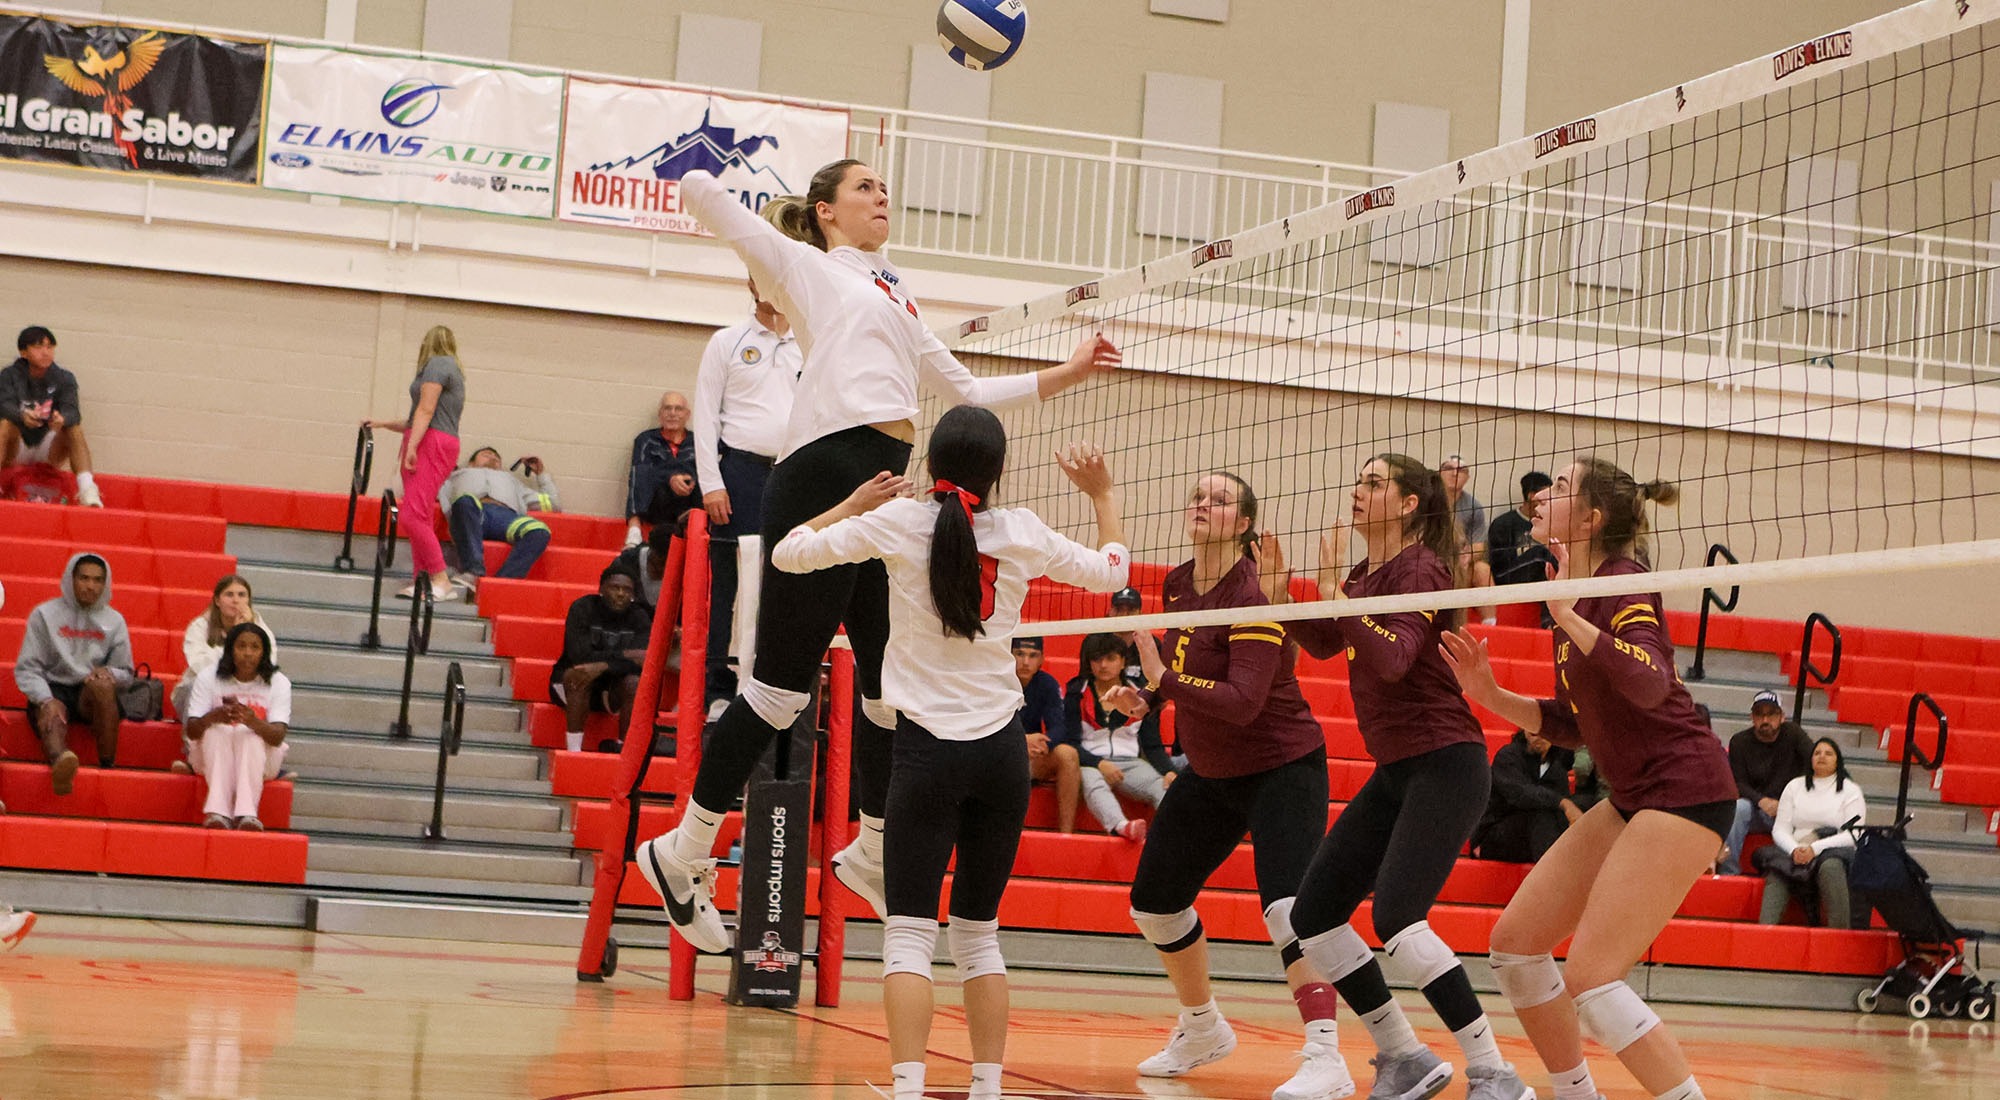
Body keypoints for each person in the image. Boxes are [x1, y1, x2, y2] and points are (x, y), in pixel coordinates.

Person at [636, 157, 1120, 953]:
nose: (880, 195)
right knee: (779, 691)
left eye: (884, 187)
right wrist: (701, 166)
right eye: (863, 187)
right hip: (823, 474)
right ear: (826, 212)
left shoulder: (894, 291)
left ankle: (869, 845)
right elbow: (712, 205)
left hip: (889, 480)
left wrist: (1066, 374)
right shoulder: (810, 269)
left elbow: (966, 390)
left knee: (886, 682)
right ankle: (681, 851)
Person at [764, 407, 1127, 1100]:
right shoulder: (1021, 531)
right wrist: (1103, 495)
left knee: (908, 936)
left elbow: (787, 552)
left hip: (927, 756)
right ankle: (987, 1088)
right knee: (979, 936)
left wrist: (853, 501)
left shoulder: (897, 522)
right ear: (998, 473)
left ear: (930, 467)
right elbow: (1112, 572)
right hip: (1001, 757)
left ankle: (908, 1091)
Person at [1442, 457, 1735, 1100]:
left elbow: (1652, 682)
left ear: (1592, 518)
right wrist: (1489, 693)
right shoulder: (1568, 586)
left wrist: (1569, 615)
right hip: (1635, 794)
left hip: (1687, 790)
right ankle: (1575, 1093)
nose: (1544, 496)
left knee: (1595, 978)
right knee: (1516, 948)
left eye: (1564, 489)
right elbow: (1573, 722)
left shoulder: (1625, 581)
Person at [1266, 454, 1531, 1100]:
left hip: (1447, 762)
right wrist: (1284, 596)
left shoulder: (1422, 568)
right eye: (1359, 479)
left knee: (1399, 919)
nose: (1358, 490)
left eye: (1374, 482)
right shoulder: (1368, 572)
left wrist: (1335, 594)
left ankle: (1497, 1072)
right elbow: (1332, 642)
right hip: (1398, 769)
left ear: (1411, 503)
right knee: (1316, 915)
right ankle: (1403, 1056)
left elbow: (1390, 658)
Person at [1095, 472, 1351, 1100]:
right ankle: (1203, 1026)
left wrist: (1161, 675)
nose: (1203, 504)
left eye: (1221, 499)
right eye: (1198, 495)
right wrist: (1147, 697)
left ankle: (1327, 1057)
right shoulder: (1179, 584)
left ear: (1244, 526)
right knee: (1153, 903)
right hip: (1211, 772)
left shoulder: (1255, 595)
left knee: (1291, 910)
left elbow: (1240, 702)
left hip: (1282, 767)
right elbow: (1187, 679)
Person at [694, 278, 802, 712]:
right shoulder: (727, 342)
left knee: (787, 581)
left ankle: (770, 686)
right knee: (728, 588)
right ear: (752, 285)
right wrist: (711, 483)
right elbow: (704, 416)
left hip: (793, 476)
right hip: (738, 475)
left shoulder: (811, 343)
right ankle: (718, 687)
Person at [364, 325, 468, 603]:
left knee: (412, 514)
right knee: (417, 514)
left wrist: (412, 446)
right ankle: (422, 576)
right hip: (426, 438)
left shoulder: (437, 364)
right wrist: (385, 424)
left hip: (431, 443)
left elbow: (426, 410)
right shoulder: (448, 368)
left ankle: (440, 578)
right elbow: (416, 418)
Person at [14, 553, 132, 795]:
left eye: (98, 580)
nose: (91, 586)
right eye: (84, 578)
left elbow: (127, 673)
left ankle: (108, 767)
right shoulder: (44, 615)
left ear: (105, 584)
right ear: (71, 579)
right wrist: (45, 699)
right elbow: (28, 668)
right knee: (52, 712)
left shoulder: (115, 621)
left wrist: (107, 673)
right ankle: (61, 761)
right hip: (52, 686)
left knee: (103, 686)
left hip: (90, 695)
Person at [1065, 632, 1172, 843]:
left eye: (1110, 658)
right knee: (1092, 780)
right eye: (1097, 659)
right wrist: (1099, 763)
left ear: (1123, 661)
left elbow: (1152, 745)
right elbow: (1070, 742)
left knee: (1166, 788)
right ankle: (1121, 826)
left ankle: (1169, 839)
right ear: (1089, 663)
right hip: (1091, 762)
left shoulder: (1140, 696)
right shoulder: (1076, 692)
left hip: (1131, 764)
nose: (1103, 665)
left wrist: (1169, 771)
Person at [181, 623, 290, 831]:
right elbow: (192, 731)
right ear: (230, 650)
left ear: (264, 652)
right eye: (241, 646)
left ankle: (247, 813)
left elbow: (277, 736)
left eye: (255, 647)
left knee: (248, 734)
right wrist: (212, 717)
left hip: (263, 761)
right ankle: (218, 813)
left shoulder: (278, 682)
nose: (247, 653)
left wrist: (253, 721)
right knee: (216, 730)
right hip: (210, 756)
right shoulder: (208, 676)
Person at [1757, 738, 1865, 929]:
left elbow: (1853, 835)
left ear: (1837, 761)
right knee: (1778, 871)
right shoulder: (1794, 786)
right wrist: (1795, 850)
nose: (1822, 756)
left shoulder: (1851, 791)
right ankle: (1763, 935)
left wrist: (1814, 848)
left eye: (1828, 753)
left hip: (1833, 849)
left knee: (1831, 867)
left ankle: (1839, 937)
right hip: (1796, 848)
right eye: (1817, 753)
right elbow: (1780, 829)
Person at [550, 565, 652, 754]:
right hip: (570, 685)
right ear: (601, 589)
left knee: (635, 682)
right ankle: (574, 751)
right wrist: (623, 656)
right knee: (578, 674)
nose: (621, 594)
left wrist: (603, 665)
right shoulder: (583, 607)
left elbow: (642, 662)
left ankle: (623, 749)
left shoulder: (640, 617)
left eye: (627, 590)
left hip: (612, 690)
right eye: (615, 587)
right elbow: (578, 655)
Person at [0, 326, 102, 506]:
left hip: (48, 446)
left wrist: (62, 419)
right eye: (38, 347)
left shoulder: (64, 377)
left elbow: (72, 411)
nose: (45, 352)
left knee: (74, 427)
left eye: (49, 347)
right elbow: (4, 405)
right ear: (24, 352)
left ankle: (87, 489)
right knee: (6, 423)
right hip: (18, 445)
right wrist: (22, 415)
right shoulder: (9, 375)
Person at [441, 446, 560, 595]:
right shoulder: (456, 475)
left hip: (506, 517)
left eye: (496, 457)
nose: (492, 457)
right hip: (473, 512)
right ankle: (473, 572)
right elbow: (432, 492)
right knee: (465, 501)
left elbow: (553, 504)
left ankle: (502, 582)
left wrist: (541, 474)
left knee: (539, 530)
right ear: (471, 463)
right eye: (486, 454)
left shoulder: (512, 481)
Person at [1722, 690, 1812, 874]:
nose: (1765, 720)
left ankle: (1799, 873)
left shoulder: (1794, 734)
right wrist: (1761, 801)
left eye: (1771, 714)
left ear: (1782, 717)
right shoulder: (1739, 741)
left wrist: (1789, 802)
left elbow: (1815, 764)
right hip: (1756, 809)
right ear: (1752, 717)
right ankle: (1728, 872)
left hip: (1789, 810)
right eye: (1759, 714)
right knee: (1738, 808)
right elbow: (1737, 782)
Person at [172, 574, 275, 724]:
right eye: (229, 594)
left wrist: (244, 632)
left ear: (248, 600)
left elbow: (267, 663)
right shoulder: (200, 626)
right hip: (206, 686)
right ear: (217, 600)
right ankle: (192, 744)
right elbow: (199, 664)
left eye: (241, 595)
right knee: (193, 685)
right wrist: (234, 638)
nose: (236, 600)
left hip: (246, 686)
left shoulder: (261, 629)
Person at [1473, 730, 1585, 863]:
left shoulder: (1556, 767)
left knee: (1581, 807)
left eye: (1544, 734)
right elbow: (1520, 795)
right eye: (1533, 733)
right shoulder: (1508, 756)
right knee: (1541, 815)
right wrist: (1562, 802)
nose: (1538, 738)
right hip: (1496, 836)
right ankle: (1552, 874)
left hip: (1535, 839)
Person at [1015, 636, 1081, 834]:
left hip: (1032, 756)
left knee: (1068, 754)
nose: (1026, 662)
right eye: (1020, 654)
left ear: (1042, 659)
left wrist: (1043, 745)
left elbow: (1060, 727)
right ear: (1008, 655)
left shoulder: (1047, 683)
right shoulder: (997, 682)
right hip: (1000, 756)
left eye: (1032, 655)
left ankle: (1066, 835)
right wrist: (1021, 742)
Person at [624, 391, 700, 545]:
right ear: (660, 414)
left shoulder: (698, 441)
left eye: (678, 409)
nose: (672, 413)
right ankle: (634, 531)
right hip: (657, 504)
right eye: (667, 408)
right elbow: (643, 473)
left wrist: (688, 479)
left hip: (688, 504)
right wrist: (670, 478)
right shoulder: (646, 440)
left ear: (687, 415)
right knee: (642, 471)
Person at [1439, 454, 1494, 622]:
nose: (1455, 474)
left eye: (1461, 470)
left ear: (1468, 477)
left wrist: (1463, 558)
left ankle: (1490, 626)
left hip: (1460, 564)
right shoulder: (1428, 501)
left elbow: (1478, 546)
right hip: (1430, 561)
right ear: (1439, 473)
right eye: (1449, 469)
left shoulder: (1473, 506)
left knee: (1483, 569)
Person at [1487, 471, 1555, 586]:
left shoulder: (1552, 522)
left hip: (1546, 582)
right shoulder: (1503, 524)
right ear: (1531, 496)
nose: (1548, 500)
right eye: (1545, 495)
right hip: (1511, 580)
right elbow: (1500, 569)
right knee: (1540, 552)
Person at [611, 522, 676, 615]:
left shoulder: (686, 575)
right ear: (650, 549)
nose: (662, 568)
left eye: (669, 564)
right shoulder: (625, 563)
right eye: (660, 562)